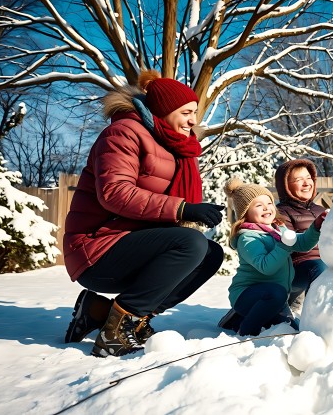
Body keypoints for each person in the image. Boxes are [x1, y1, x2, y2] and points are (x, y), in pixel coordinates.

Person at [63, 69, 225, 358]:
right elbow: (115, 193)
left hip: (130, 242)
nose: (194, 120)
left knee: (210, 254)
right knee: (191, 244)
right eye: (187, 112)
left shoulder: (173, 147)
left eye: (195, 112)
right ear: (165, 110)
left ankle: (109, 314)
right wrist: (183, 208)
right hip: (96, 248)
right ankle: (115, 331)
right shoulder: (122, 133)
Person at [220, 178, 325, 336]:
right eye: (258, 205)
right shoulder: (247, 238)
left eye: (269, 203)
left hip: (274, 297)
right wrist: (284, 245)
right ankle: (246, 329)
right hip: (247, 295)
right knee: (276, 293)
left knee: (291, 328)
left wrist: (316, 228)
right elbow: (266, 267)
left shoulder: (277, 230)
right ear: (245, 213)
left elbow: (302, 244)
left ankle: (241, 319)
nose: (266, 208)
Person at [274, 159, 328, 313]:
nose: (306, 183)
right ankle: (316, 314)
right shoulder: (281, 212)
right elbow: (292, 244)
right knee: (319, 266)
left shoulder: (320, 210)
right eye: (299, 180)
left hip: (324, 263)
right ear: (285, 185)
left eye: (309, 178)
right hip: (297, 269)